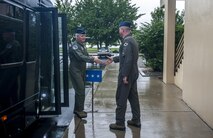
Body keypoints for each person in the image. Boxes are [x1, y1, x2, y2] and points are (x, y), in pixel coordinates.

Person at [107, 21, 141, 131]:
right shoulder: (132, 40)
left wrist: (125, 75)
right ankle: (136, 120)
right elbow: (125, 56)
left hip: (127, 74)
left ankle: (119, 123)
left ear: (122, 30)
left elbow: (128, 60)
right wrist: (114, 59)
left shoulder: (126, 42)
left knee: (121, 97)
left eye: (119, 29)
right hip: (133, 73)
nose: (119, 31)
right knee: (133, 97)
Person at [69, 27, 102, 118]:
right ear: (77, 36)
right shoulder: (74, 46)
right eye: (82, 36)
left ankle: (77, 109)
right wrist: (93, 59)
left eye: (84, 36)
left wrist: (94, 57)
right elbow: (81, 57)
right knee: (80, 90)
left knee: (80, 90)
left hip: (81, 70)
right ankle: (79, 110)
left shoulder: (82, 45)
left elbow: (86, 55)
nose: (84, 37)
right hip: (75, 71)